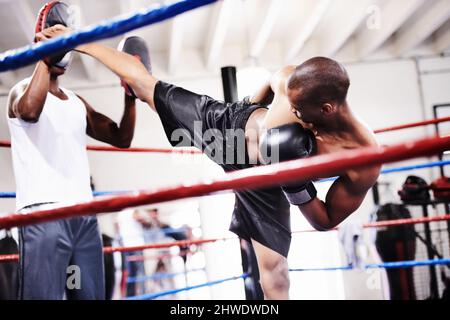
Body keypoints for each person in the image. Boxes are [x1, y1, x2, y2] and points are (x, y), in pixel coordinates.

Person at [41, 25, 380, 299]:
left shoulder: (362, 160)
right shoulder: (293, 84)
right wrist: (243, 105)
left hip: (269, 185)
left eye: (297, 112)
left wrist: (295, 188)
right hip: (230, 131)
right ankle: (79, 39)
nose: (292, 113)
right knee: (148, 87)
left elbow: (325, 220)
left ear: (326, 109)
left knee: (276, 277)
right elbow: (272, 80)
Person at [6, 1, 138, 299]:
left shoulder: (76, 101)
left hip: (83, 219)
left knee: (88, 295)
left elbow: (121, 137)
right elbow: (29, 112)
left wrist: (130, 96)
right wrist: (43, 56)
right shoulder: (21, 90)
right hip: (42, 217)